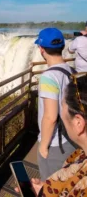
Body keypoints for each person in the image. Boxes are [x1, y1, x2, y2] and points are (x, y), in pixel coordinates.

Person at [15, 72, 87, 196]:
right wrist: (46, 189)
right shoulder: (80, 155)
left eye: (62, 108)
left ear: (78, 123)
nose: (61, 116)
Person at [34, 28, 77, 181]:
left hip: (55, 144)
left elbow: (50, 116)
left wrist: (43, 147)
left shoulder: (49, 77)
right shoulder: (72, 71)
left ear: (41, 49)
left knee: (50, 186)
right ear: (63, 46)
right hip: (71, 139)